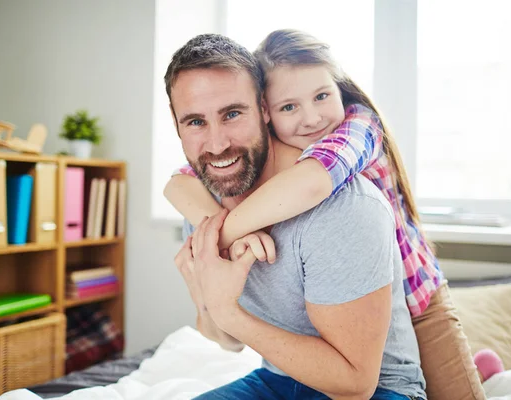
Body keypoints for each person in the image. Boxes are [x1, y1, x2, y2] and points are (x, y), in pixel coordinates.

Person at [165, 29, 492, 399]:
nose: (217, 142)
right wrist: (207, 295)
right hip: (282, 376)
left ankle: (480, 373)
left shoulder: (352, 148)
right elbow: (226, 340)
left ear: (260, 111)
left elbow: (314, 182)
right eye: (195, 122)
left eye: (233, 114)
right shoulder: (209, 188)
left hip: (418, 295)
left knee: (458, 387)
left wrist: (224, 238)